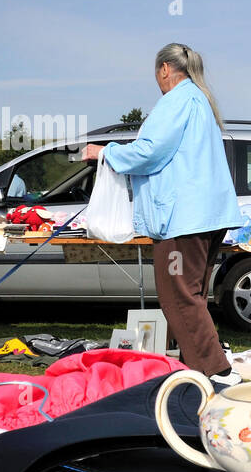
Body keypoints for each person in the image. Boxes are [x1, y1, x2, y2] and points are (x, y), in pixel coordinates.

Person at [82, 43, 240, 386]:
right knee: (191, 296)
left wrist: (105, 152)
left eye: (157, 73)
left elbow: (150, 151)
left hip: (184, 219)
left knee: (177, 296)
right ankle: (196, 368)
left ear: (165, 69)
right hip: (206, 216)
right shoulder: (198, 100)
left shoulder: (177, 101)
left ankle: (217, 372)